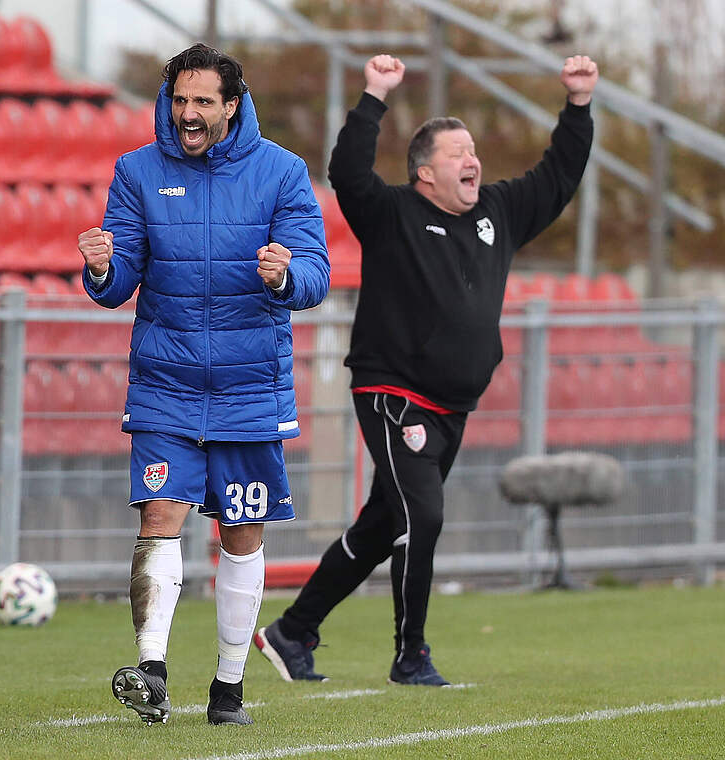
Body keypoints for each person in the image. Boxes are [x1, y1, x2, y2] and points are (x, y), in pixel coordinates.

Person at [255, 54, 598, 687]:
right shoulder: (392, 215)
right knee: (424, 516)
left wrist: (577, 107)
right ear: (423, 173)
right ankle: (410, 654)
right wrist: (374, 96)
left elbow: (558, 176)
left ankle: (293, 631)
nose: (473, 161)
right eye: (457, 152)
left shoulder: (498, 211)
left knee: (386, 522)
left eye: (473, 151)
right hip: (394, 392)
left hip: (451, 405)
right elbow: (348, 173)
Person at [78, 43, 330, 726]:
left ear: (232, 105)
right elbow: (120, 276)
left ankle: (228, 689)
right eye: (179, 101)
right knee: (159, 516)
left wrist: (286, 276)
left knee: (241, 534)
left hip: (250, 390)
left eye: (202, 103)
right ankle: (153, 672)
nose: (187, 115)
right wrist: (103, 268)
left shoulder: (283, 173)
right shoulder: (136, 171)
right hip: (167, 384)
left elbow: (316, 270)